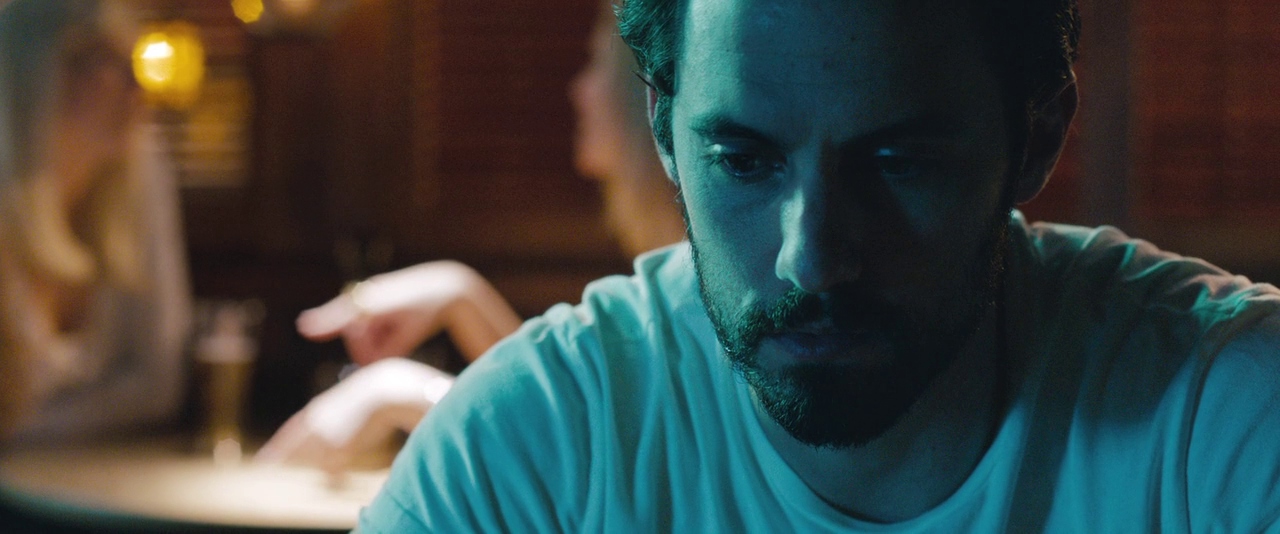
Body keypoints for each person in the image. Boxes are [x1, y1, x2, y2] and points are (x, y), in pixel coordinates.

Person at [356, 0, 1280, 530]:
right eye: (746, 162)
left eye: (898, 163)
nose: (814, 260)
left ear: (1036, 137)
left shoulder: (1223, 414)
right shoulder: (535, 446)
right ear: (664, 132)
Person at [254, 1, 685, 471]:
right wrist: (461, 294)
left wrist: (404, 392)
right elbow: (567, 415)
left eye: (595, 65)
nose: (578, 89)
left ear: (646, 98)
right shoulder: (671, 270)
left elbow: (599, 467)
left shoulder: (699, 279)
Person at [0, 0, 191, 441]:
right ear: (35, 77)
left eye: (135, 64)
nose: (137, 86)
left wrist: (30, 437)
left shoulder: (140, 178)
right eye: (104, 60)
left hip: (80, 471)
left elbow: (158, 383)